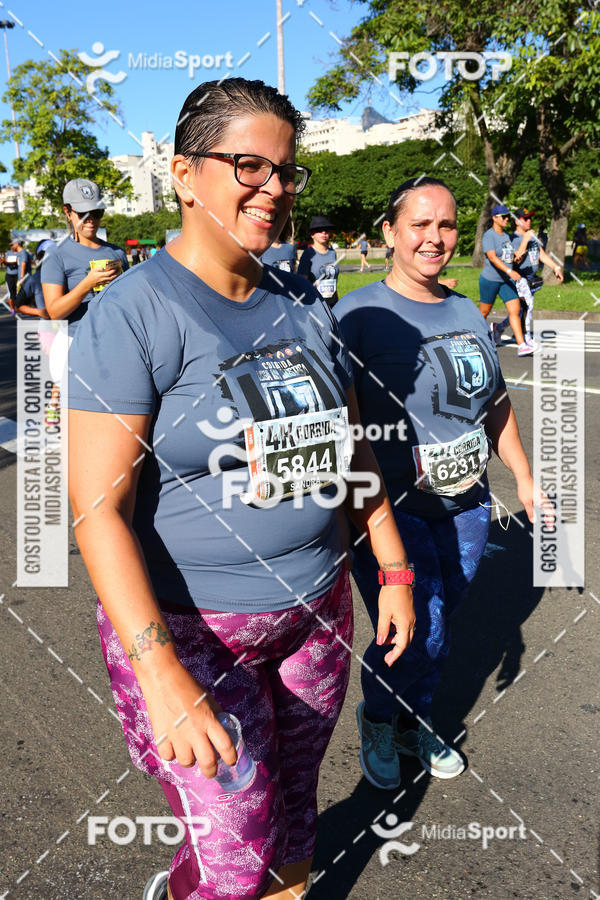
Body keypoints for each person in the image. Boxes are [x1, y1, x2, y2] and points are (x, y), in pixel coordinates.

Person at [67, 78, 415, 900]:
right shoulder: (134, 312)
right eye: (249, 166)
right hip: (191, 633)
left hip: (316, 614)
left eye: (287, 171)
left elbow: (351, 449)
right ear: (185, 174)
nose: (275, 188)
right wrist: (161, 674)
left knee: (294, 811)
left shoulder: (303, 306)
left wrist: (393, 569)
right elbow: (98, 509)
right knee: (233, 855)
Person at [335, 177, 537, 791]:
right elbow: (338, 424)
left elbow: (494, 402)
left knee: (439, 623)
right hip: (389, 510)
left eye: (446, 225)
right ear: (390, 232)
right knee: (415, 624)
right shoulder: (357, 315)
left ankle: (411, 716)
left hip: (467, 505)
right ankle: (381, 719)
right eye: (419, 224)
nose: (434, 237)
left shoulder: (466, 311)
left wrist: (524, 478)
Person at [41, 178, 128, 386]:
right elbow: (54, 312)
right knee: (72, 404)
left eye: (96, 213)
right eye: (83, 213)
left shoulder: (117, 252)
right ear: (67, 212)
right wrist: (87, 284)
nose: (91, 220)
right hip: (75, 344)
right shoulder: (56, 255)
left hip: (115, 343)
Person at [492, 207, 563, 347]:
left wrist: (556, 267)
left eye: (530, 218)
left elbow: (541, 254)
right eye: (525, 218)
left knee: (520, 310)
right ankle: (526, 337)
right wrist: (525, 240)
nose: (529, 221)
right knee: (527, 306)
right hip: (519, 278)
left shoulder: (532, 237)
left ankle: (499, 328)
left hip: (531, 279)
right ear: (517, 221)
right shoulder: (512, 239)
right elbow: (515, 259)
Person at [478, 204, 535, 356]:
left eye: (508, 216)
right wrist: (510, 271)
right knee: (484, 312)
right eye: (504, 216)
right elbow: (492, 257)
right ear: (494, 218)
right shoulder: (489, 236)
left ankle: (522, 345)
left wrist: (517, 256)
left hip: (505, 281)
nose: (507, 219)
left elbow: (509, 256)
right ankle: (473, 336)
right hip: (490, 279)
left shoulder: (506, 236)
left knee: (515, 310)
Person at [298, 215, 340, 307]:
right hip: (315, 304)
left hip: (333, 302)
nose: (324, 232)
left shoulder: (332, 253)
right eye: (319, 230)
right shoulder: (308, 253)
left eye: (326, 230)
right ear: (312, 234)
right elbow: (301, 281)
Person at [14, 240, 52, 321]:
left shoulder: (69, 275)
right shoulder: (35, 278)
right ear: (39, 257)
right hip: (48, 327)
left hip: (69, 327)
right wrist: (38, 312)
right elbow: (18, 305)